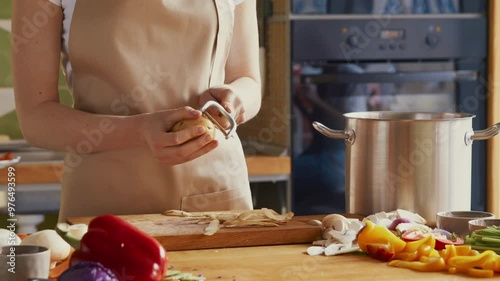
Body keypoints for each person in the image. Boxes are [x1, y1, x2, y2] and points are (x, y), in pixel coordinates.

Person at [11, 0, 262, 222]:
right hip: (105, 203)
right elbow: (36, 117)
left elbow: (247, 80)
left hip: (213, 197)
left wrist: (235, 101)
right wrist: (139, 131)